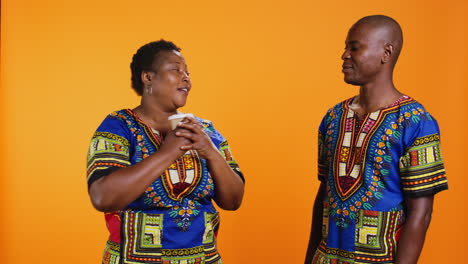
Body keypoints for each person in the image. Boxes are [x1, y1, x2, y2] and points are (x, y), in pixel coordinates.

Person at [86, 40, 245, 264]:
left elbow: (233, 201)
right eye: (175, 69)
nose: (186, 77)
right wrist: (167, 153)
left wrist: (210, 151)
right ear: (148, 77)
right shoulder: (119, 126)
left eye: (188, 72)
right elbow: (102, 197)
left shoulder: (204, 131)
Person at [305, 15, 448, 264]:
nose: (344, 55)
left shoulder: (415, 122)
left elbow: (421, 213)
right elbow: (323, 195)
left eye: (354, 47)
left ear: (386, 52)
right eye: (345, 47)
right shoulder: (333, 117)